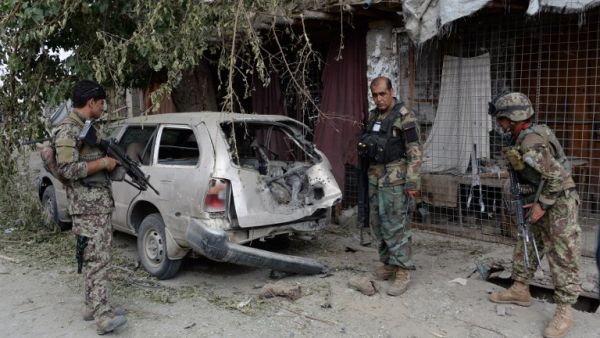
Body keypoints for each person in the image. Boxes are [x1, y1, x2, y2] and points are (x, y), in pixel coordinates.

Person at [488, 92, 581, 338]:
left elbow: (556, 178)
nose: (499, 124)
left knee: (562, 254)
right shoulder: (522, 137)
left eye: (501, 119)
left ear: (513, 118)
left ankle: (564, 311)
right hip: (541, 198)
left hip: (559, 201)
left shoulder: (530, 142)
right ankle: (520, 288)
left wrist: (541, 205)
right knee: (526, 243)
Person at [54, 80, 127, 334]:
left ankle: (91, 306)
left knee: (94, 258)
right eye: (102, 102)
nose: (103, 107)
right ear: (90, 103)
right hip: (87, 208)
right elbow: (67, 169)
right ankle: (103, 317)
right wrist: (103, 164)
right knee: (98, 260)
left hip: (95, 205)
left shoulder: (85, 128)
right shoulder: (68, 131)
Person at [359, 76, 422, 296]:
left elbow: (415, 151)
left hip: (396, 178)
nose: (379, 99)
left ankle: (403, 270)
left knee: (396, 224)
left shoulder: (405, 117)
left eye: (382, 94)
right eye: (375, 95)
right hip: (376, 176)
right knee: (377, 221)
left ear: (392, 91)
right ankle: (388, 263)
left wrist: (413, 181)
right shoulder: (374, 115)